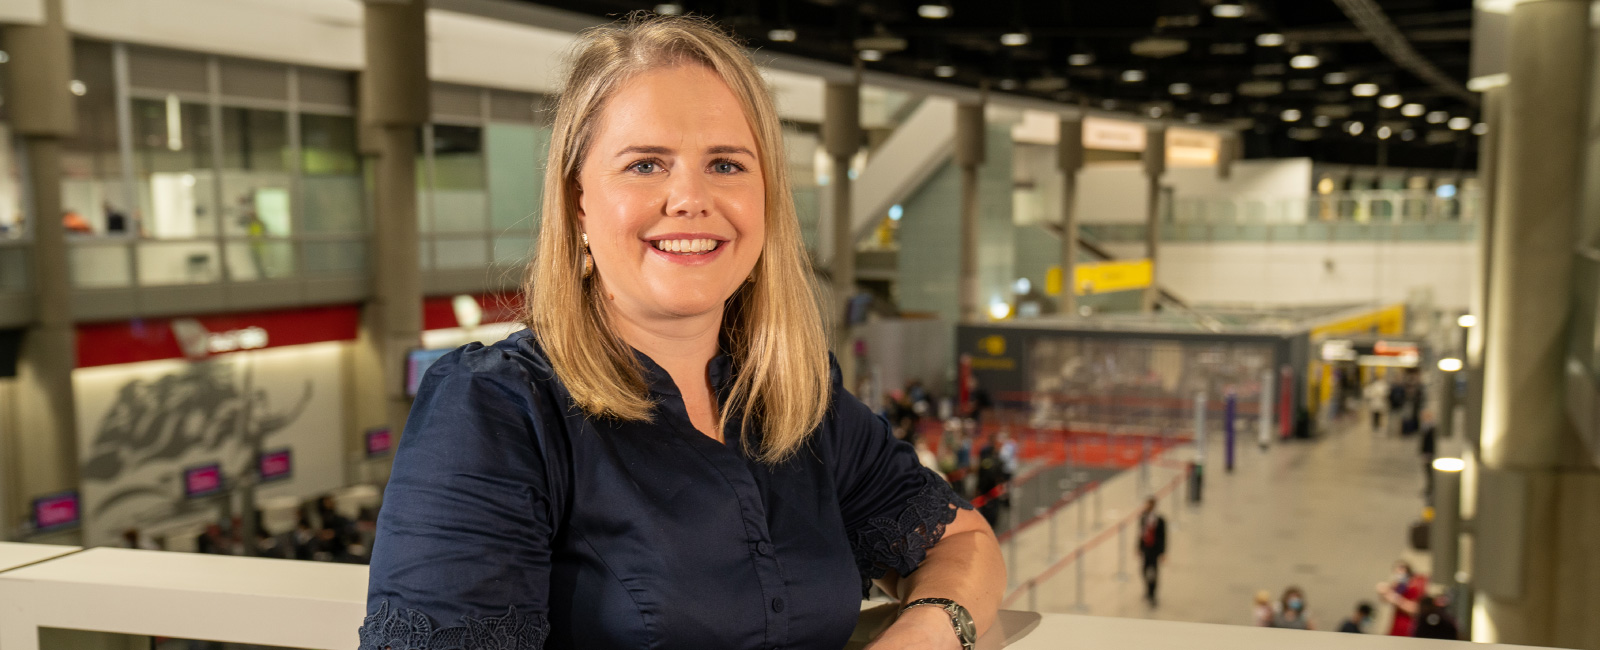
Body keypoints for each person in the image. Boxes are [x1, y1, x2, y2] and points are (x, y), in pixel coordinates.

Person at [363, 15, 1004, 650]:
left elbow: (962, 540)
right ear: (577, 201)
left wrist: (925, 632)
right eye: (645, 165)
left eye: (726, 164)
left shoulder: (792, 396)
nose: (690, 198)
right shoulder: (496, 411)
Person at [1377, 560, 1427, 636]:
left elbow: (1416, 609)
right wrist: (1384, 591)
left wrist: (1393, 597)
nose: (1398, 574)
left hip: (1410, 627)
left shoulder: (1417, 584)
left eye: (1401, 570)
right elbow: (1385, 599)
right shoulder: (1400, 585)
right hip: (1397, 625)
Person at [1136, 497, 1167, 607]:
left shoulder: (1160, 520)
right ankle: (1148, 590)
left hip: (1155, 551)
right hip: (1146, 550)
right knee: (1144, 571)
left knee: (1154, 573)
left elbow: (1164, 537)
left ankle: (1153, 594)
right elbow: (1140, 534)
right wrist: (1138, 548)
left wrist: (1163, 552)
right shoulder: (1143, 518)